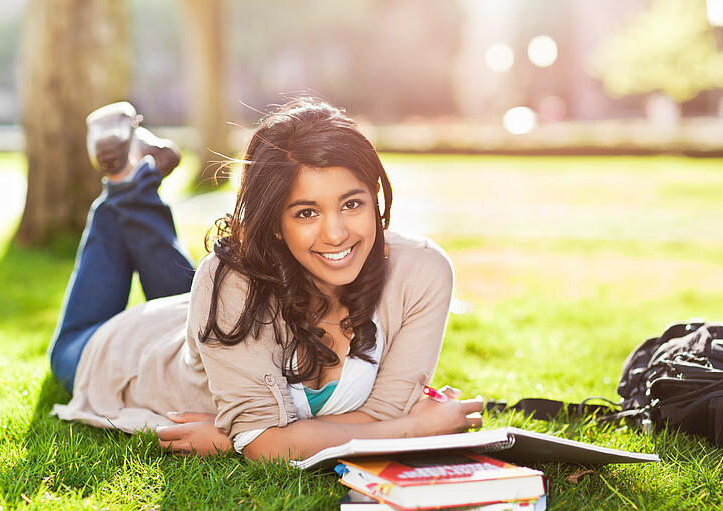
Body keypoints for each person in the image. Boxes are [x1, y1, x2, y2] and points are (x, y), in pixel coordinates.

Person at [50, 97, 484, 460]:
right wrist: (415, 430)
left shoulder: (422, 272)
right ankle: (124, 182)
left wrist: (267, 438)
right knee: (70, 347)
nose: (336, 233)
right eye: (306, 212)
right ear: (275, 222)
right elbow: (265, 444)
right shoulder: (229, 285)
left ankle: (135, 178)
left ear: (374, 198)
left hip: (221, 325)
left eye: (352, 204)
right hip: (128, 350)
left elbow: (380, 415)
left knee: (212, 288)